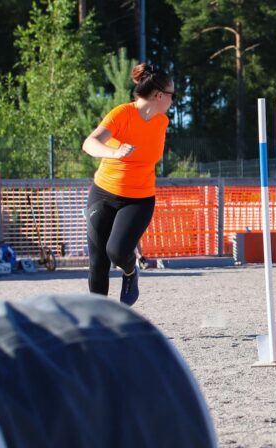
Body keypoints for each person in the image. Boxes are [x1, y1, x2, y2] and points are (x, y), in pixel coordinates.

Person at [82, 63, 174, 306]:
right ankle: (99, 317)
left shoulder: (161, 122)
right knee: (98, 261)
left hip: (139, 199)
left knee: (117, 251)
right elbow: (90, 143)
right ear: (159, 95)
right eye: (172, 95)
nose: (173, 100)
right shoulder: (122, 114)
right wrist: (114, 153)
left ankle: (131, 272)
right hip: (103, 193)